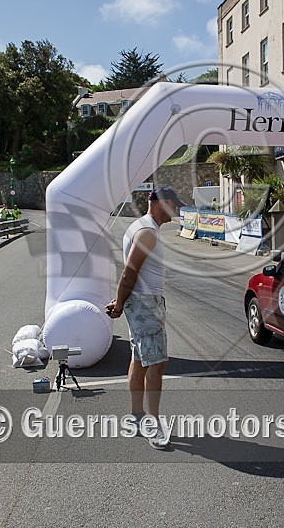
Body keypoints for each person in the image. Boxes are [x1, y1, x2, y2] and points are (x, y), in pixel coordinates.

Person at [105, 187, 183, 450]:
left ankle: (137, 418)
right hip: (146, 305)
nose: (177, 210)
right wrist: (119, 303)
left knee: (139, 361)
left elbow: (130, 273)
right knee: (157, 365)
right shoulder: (147, 232)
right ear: (163, 203)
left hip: (143, 304)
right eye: (174, 204)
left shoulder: (141, 227)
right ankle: (153, 424)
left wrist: (121, 302)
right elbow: (128, 273)